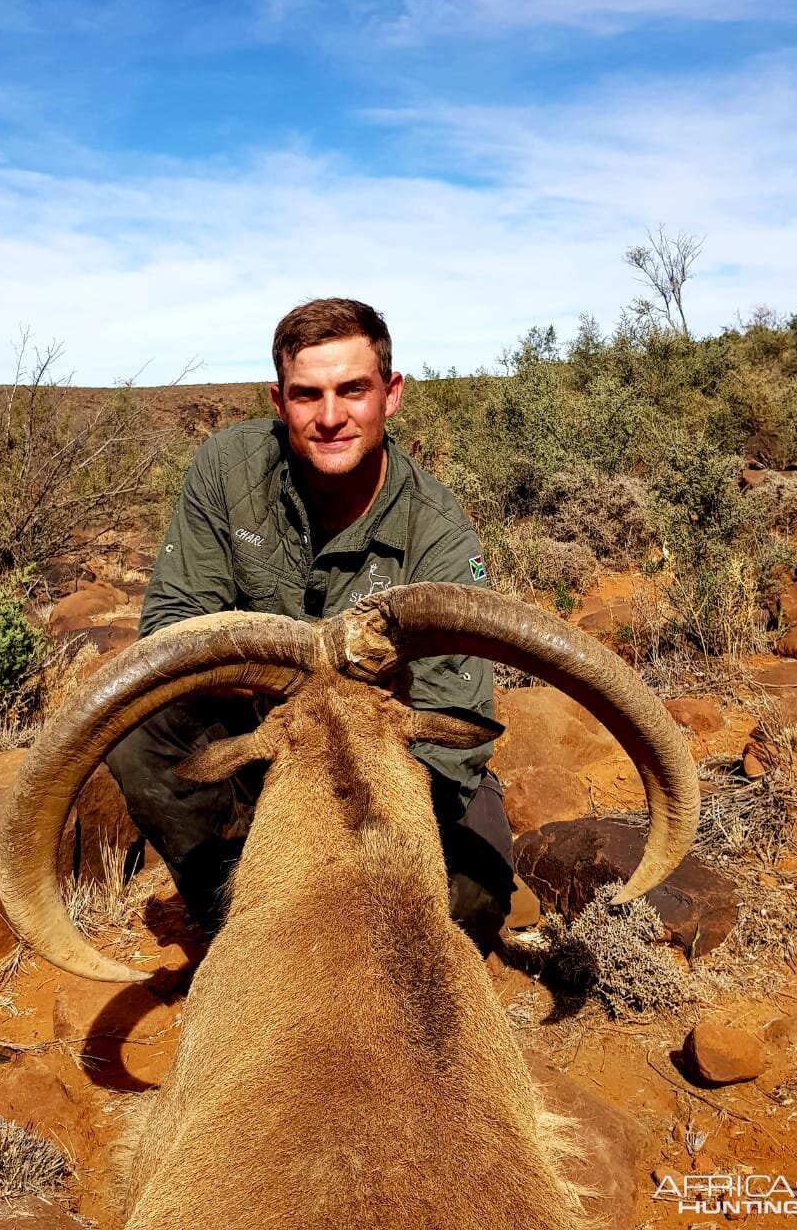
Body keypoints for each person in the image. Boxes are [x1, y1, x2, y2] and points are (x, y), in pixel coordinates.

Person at [108, 298, 514, 953]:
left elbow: (452, 726)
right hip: (264, 734)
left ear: (391, 393)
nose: (330, 417)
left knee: (474, 892)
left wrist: (359, 822)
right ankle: (242, 934)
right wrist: (272, 690)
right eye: (307, 395)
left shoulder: (436, 532)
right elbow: (170, 628)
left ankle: (353, 932)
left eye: (353, 389)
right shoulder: (228, 469)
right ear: (278, 399)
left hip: (385, 757)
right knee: (142, 729)